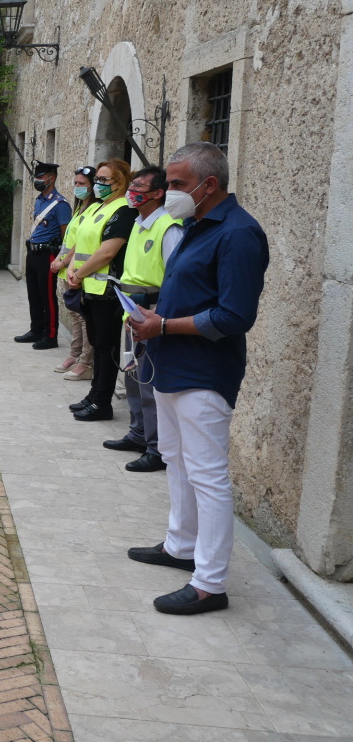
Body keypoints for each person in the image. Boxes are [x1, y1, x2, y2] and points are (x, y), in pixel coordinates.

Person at [127, 142, 269, 616]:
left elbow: (234, 315)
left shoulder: (238, 233)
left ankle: (210, 583)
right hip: (171, 365)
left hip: (205, 374)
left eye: (177, 184)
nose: (168, 191)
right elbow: (188, 292)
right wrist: (150, 313)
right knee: (176, 460)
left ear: (209, 185)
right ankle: (180, 545)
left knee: (208, 475)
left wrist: (163, 325)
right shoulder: (194, 225)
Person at [103, 166, 182, 473]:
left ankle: (156, 448)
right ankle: (138, 433)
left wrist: (158, 317)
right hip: (132, 312)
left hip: (151, 314)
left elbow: (175, 278)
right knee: (133, 377)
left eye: (138, 186)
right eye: (132, 185)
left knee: (149, 383)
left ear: (158, 193)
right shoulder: (138, 222)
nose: (131, 191)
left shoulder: (168, 227)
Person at [67, 158, 134, 421]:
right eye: (98, 179)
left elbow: (107, 252)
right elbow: (80, 243)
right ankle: (94, 394)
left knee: (107, 348)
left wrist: (78, 274)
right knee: (97, 344)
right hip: (89, 287)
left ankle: (102, 402)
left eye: (105, 180)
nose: (98, 184)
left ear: (121, 182)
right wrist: (72, 270)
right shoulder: (97, 207)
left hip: (107, 291)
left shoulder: (124, 210)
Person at [14, 162, 71, 350]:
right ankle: (36, 330)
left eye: (41, 176)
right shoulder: (39, 200)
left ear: (51, 178)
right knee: (34, 294)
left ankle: (51, 335)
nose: (37, 180)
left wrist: (60, 258)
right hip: (33, 252)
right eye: (36, 177)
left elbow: (66, 235)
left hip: (47, 254)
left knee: (47, 297)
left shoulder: (60, 204)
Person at [51, 166, 98, 380]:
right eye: (76, 183)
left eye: (82, 184)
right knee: (74, 315)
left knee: (83, 317)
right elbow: (69, 239)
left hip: (79, 271)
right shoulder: (80, 208)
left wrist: (63, 261)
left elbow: (80, 244)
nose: (77, 187)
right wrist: (60, 261)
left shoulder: (94, 209)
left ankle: (86, 362)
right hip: (68, 270)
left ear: (92, 186)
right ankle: (74, 354)